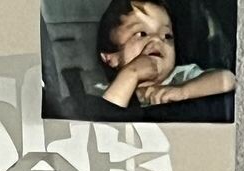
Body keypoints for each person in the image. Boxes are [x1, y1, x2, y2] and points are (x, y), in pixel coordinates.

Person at [96, 0, 236, 109]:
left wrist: (183, 91)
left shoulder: (182, 77)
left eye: (167, 36)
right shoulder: (104, 92)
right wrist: (131, 73)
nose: (158, 40)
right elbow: (105, 122)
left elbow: (227, 79)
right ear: (110, 57)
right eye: (142, 34)